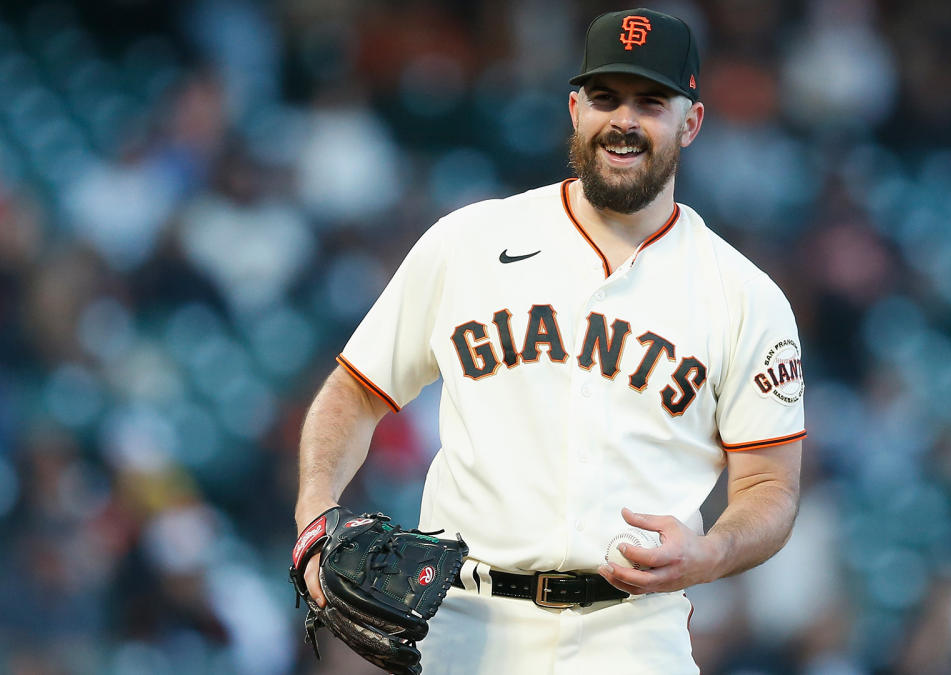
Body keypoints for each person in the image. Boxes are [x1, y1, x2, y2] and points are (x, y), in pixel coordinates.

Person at [294, 8, 807, 673]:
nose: (623, 120)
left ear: (692, 121)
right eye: (605, 98)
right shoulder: (469, 242)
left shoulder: (745, 295)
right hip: (464, 621)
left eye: (650, 102)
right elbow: (355, 391)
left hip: (631, 631)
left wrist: (711, 552)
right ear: (574, 108)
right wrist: (315, 509)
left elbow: (771, 486)